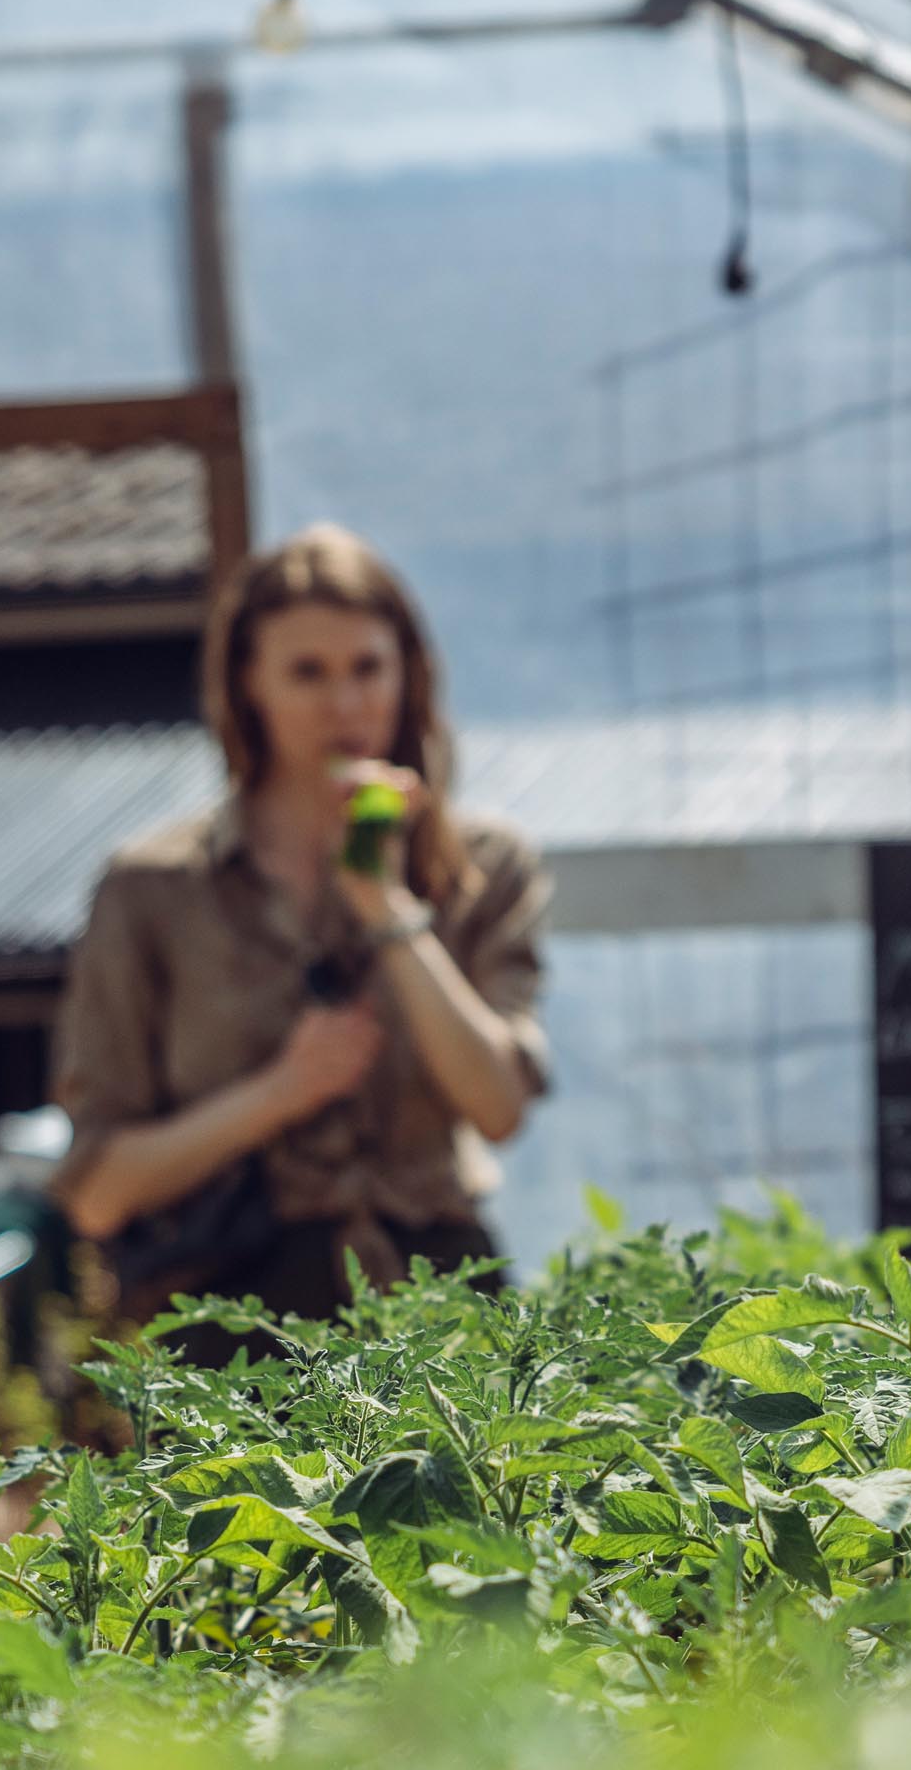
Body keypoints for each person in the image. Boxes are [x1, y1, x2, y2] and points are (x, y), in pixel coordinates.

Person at [51, 524, 550, 1341]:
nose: (346, 705)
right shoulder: (154, 886)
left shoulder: (485, 866)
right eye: (308, 673)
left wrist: (388, 909)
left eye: (367, 669)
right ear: (250, 685)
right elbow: (98, 1190)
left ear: (408, 675)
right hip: (229, 1317)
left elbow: (498, 1108)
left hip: (440, 1305)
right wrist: (281, 1092)